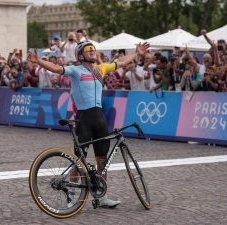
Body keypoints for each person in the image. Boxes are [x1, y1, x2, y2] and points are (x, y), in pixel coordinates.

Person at [27, 40, 150, 208]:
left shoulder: (101, 69)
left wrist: (137, 53)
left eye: (93, 49)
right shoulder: (76, 71)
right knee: (78, 161)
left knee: (102, 160)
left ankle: (102, 197)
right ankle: (71, 196)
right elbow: (57, 69)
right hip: (84, 118)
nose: (92, 51)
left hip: (100, 119)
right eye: (88, 50)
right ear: (80, 55)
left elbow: (120, 62)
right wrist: (39, 61)